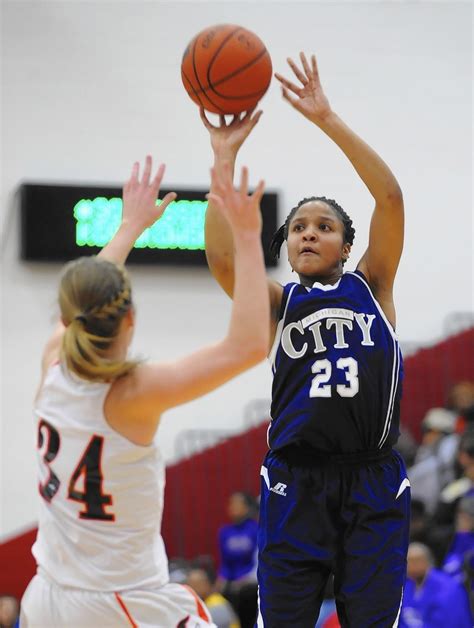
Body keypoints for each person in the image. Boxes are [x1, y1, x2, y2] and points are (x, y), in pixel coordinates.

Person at [201, 52, 409, 626]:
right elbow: (220, 258)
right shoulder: (278, 302)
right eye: (298, 228)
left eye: (324, 227)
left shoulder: (374, 285)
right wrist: (224, 157)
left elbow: (389, 197)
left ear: (346, 245)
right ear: (287, 246)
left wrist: (326, 118)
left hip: (372, 478)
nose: (309, 233)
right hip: (296, 480)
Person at [20, 156, 270, 627]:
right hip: (118, 604)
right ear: (130, 319)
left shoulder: (53, 360)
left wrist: (128, 227)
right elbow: (251, 344)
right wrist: (248, 235)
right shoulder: (134, 392)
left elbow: (85, 297)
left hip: (47, 596)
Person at [399, 542, 472, 627]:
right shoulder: (408, 585)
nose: (407, 567)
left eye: (412, 561)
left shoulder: (449, 587)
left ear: (424, 561)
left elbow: (449, 622)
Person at [216, 492, 259, 627]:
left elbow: (258, 560)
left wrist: (245, 580)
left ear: (247, 508)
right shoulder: (225, 532)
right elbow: (224, 563)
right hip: (231, 582)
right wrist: (220, 580)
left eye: (237, 504)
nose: (232, 507)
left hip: (250, 583)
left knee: (246, 595)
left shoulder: (256, 529)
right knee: (221, 596)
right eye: (231, 504)